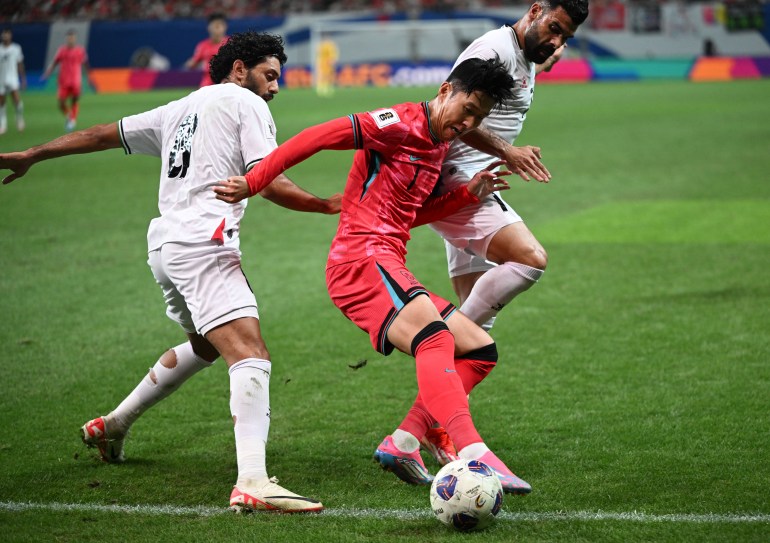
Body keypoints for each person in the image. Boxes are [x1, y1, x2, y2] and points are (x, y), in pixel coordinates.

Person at [0, 31, 341, 514]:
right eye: (270, 75)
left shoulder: (177, 108)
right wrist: (327, 205)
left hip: (164, 248)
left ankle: (114, 423)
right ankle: (253, 481)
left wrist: (36, 152)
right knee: (250, 354)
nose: (275, 88)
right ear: (240, 69)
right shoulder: (245, 104)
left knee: (206, 344)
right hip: (204, 245)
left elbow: (102, 134)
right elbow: (268, 181)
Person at [214, 57, 533, 495]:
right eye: (468, 109)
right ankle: (474, 452)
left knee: (478, 350)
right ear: (445, 91)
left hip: (387, 260)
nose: (469, 122)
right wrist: (254, 181)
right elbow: (316, 137)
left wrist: (465, 194)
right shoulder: (397, 123)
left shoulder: (438, 142)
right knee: (436, 338)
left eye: (480, 118)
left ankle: (403, 441)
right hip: (360, 261)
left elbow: (408, 216)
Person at [417, 0, 589, 468]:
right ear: (535, 10)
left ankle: (440, 426)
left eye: (565, 38)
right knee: (530, 259)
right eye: (553, 28)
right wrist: (507, 151)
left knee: (477, 328)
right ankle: (421, 415)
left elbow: (531, 64)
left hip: (473, 181)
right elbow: (450, 114)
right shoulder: (494, 51)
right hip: (460, 182)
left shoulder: (525, 53)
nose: (556, 41)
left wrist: (547, 56)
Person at [43, 29, 89, 132]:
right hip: (63, 81)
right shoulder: (62, 50)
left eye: (72, 37)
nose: (71, 40)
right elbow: (55, 62)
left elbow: (86, 64)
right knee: (61, 103)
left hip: (76, 81)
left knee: (74, 101)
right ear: (66, 39)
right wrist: (48, 72)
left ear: (75, 39)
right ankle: (69, 115)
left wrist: (88, 77)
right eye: (69, 38)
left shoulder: (80, 51)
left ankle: (72, 120)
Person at [185, 13, 228, 87]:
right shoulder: (203, 45)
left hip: (226, 81)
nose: (217, 29)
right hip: (207, 83)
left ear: (225, 27)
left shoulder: (231, 43)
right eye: (215, 26)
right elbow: (192, 63)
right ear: (209, 27)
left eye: (219, 26)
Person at [0, 28, 26, 134]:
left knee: (16, 100)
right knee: (1, 102)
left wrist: (23, 79)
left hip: (13, 78)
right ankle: (3, 124)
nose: (5, 36)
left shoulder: (16, 48)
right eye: (4, 34)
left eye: (7, 34)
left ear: (10, 36)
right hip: (1, 79)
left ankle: (19, 119)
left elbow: (20, 64)